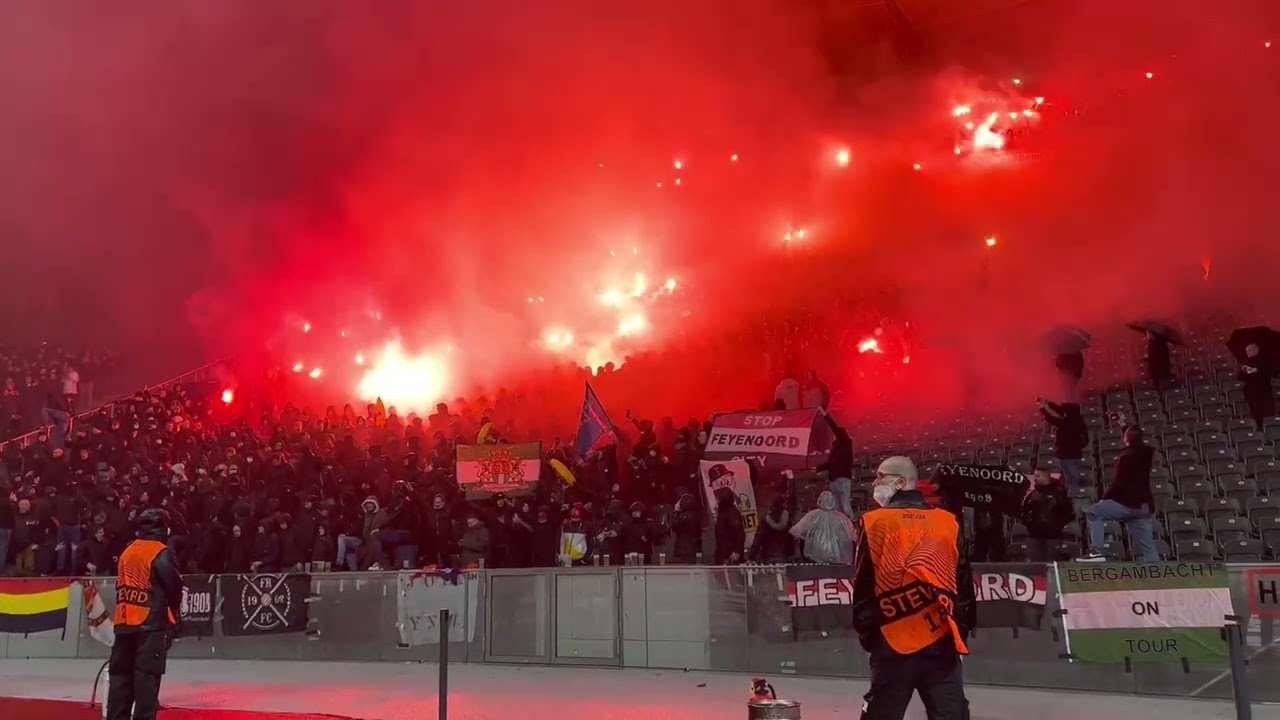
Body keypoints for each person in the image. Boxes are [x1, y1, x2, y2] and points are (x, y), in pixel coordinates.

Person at [852, 456, 973, 720]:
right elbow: (964, 585)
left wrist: (871, 638)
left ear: (901, 482)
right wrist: (959, 632)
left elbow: (863, 588)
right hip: (941, 643)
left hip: (892, 641)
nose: (875, 482)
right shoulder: (947, 521)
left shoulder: (875, 522)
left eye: (881, 476)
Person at [107, 508, 183, 720]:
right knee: (146, 682)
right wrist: (174, 620)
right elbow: (174, 587)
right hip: (149, 624)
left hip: (123, 622)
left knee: (120, 681)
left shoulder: (128, 550)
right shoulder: (160, 551)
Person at [1079, 417, 1157, 562]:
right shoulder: (1147, 452)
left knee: (1093, 511)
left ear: (1125, 438)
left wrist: (1105, 498)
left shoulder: (1125, 457)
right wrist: (1123, 424)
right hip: (1144, 507)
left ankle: (1097, 551)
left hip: (1128, 504)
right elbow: (1135, 438)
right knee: (1148, 547)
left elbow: (1117, 483)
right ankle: (1159, 577)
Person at [1019, 470, 1076, 562]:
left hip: (1053, 537)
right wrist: (1028, 524)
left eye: (1038, 476)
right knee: (1035, 565)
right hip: (1034, 536)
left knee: (1051, 564)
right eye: (1034, 476)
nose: (1035, 478)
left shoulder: (1059, 494)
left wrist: (1057, 525)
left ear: (1046, 477)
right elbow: (1023, 512)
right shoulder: (1031, 494)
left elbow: (1069, 513)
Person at [1036, 398, 1088, 495]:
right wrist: (1048, 402)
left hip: (1066, 456)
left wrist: (1043, 408)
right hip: (1075, 455)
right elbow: (1060, 410)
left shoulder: (1067, 422)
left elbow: (1050, 418)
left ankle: (1073, 499)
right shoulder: (1078, 420)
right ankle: (1072, 496)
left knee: (1071, 480)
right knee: (1070, 478)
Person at [790, 490, 856, 564]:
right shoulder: (842, 518)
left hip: (814, 556)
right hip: (837, 560)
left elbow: (796, 532)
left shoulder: (811, 515)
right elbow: (853, 537)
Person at [1239, 343, 1276, 430]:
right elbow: (1240, 377)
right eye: (1246, 351)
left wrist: (1255, 371)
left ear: (1256, 350)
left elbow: (1267, 374)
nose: (1247, 353)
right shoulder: (1247, 362)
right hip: (1252, 396)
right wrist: (1244, 371)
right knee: (1255, 417)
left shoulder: (1264, 361)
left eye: (1249, 350)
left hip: (1264, 395)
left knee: (1267, 416)